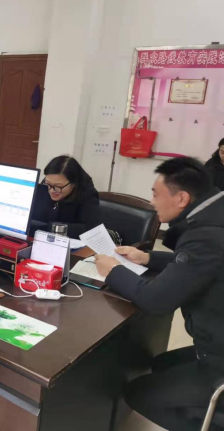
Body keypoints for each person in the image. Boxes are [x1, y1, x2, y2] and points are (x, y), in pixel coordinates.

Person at [94, 157, 224, 431]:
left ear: (182, 198)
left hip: (219, 359)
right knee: (162, 363)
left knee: (138, 394)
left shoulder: (207, 236)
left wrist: (113, 271)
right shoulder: (215, 216)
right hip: (214, 342)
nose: (152, 202)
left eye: (155, 194)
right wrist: (147, 258)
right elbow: (198, 264)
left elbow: (156, 300)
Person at [31, 155, 101, 238]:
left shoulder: (88, 195)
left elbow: (89, 229)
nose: (51, 190)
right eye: (48, 183)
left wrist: (50, 227)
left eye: (58, 186)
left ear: (74, 183)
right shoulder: (46, 186)